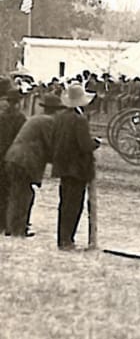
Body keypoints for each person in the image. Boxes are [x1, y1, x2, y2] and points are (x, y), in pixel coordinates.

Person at [4, 94, 62, 237]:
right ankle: (18, 229)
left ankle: (12, 227)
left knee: (17, 193)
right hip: (25, 160)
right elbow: (52, 145)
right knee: (24, 194)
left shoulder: (36, 118)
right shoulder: (48, 121)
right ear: (55, 110)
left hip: (13, 157)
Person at [50, 84, 100, 250]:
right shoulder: (80, 120)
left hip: (63, 167)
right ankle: (67, 240)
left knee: (64, 203)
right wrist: (96, 143)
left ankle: (62, 239)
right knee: (74, 205)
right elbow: (84, 145)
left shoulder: (60, 117)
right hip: (77, 168)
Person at [0, 79, 26, 230]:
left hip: (1, 154)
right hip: (10, 157)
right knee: (9, 191)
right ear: (17, 102)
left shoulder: (2, 115)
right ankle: (7, 223)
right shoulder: (20, 118)